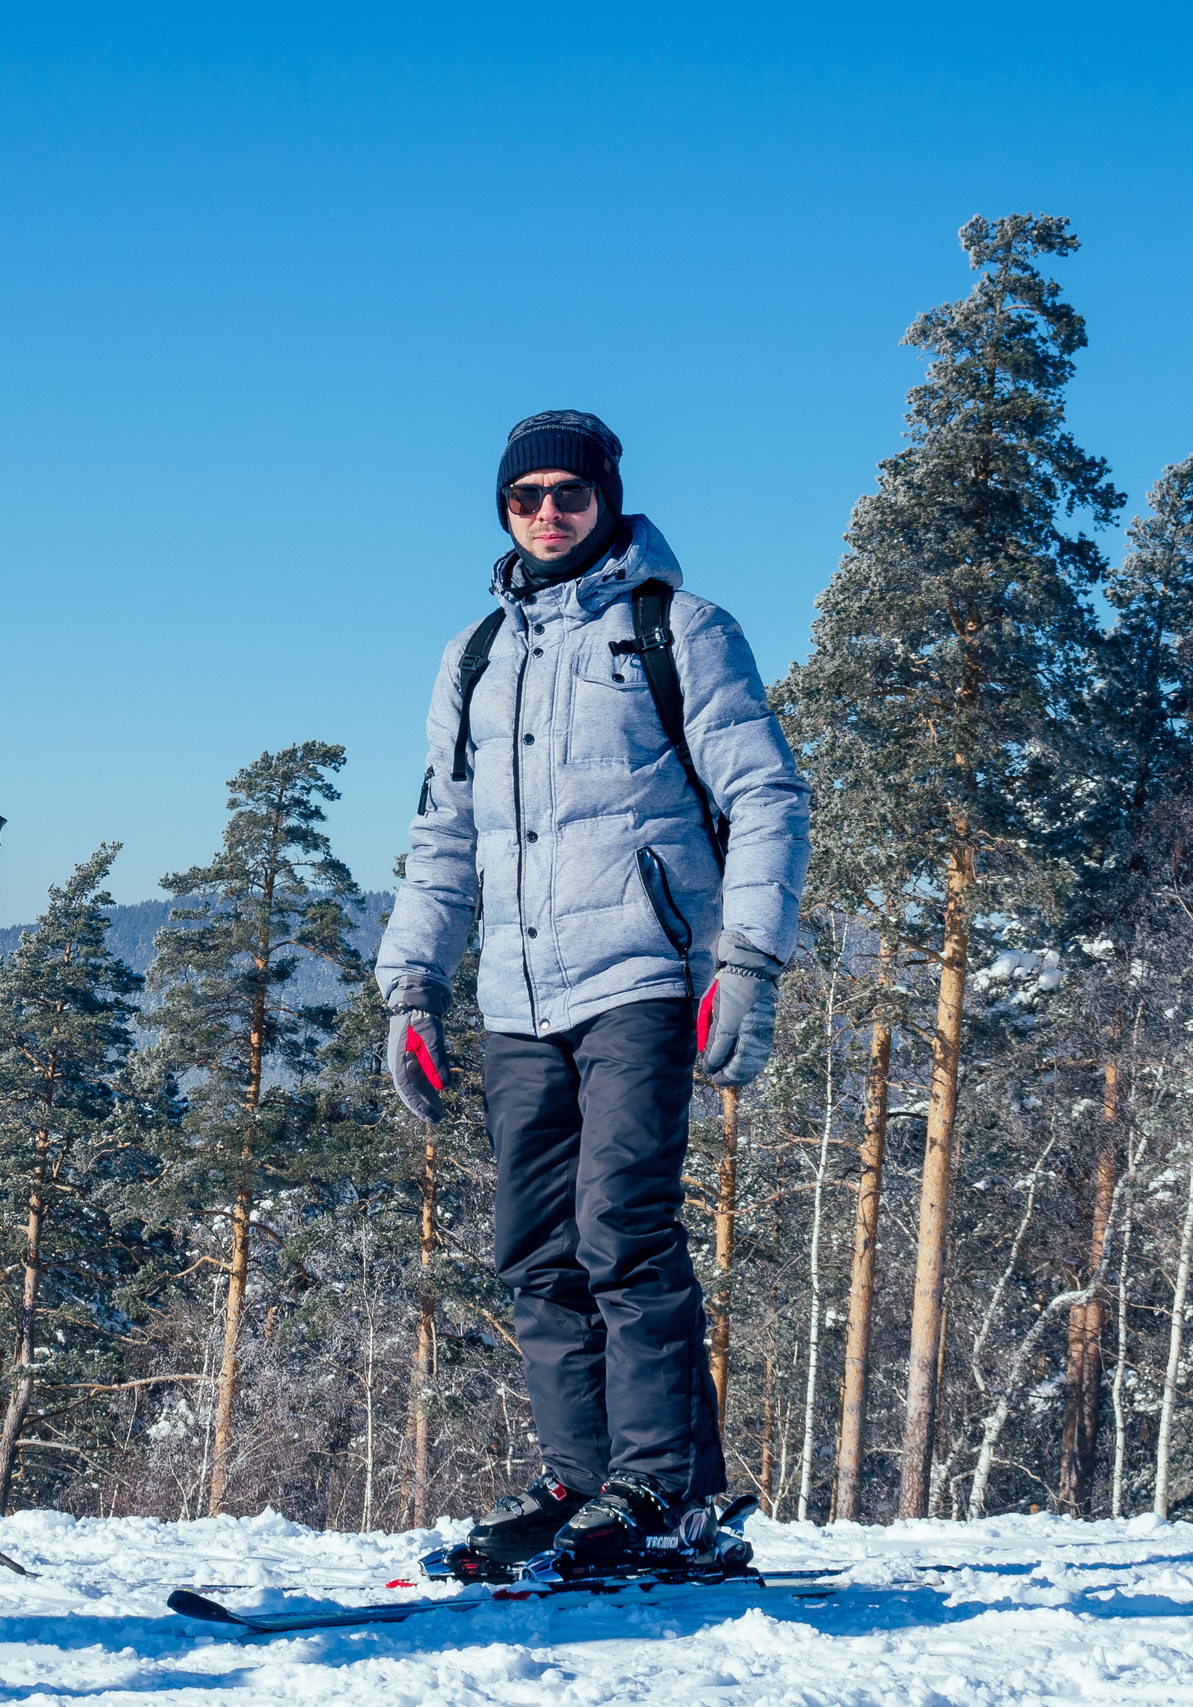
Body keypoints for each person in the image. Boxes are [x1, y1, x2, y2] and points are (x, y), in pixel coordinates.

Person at [375, 409, 808, 1578]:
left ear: (606, 497)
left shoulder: (680, 629)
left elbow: (766, 796)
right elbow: (442, 836)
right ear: (504, 512)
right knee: (533, 1248)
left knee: (622, 1230)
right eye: (526, 498)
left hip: (644, 975)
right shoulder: (474, 655)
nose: (549, 512)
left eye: (569, 492)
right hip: (517, 995)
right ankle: (582, 1480)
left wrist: (746, 963)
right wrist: (411, 987)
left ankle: (661, 1490)